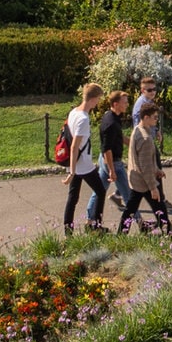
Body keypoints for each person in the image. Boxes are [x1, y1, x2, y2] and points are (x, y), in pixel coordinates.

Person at [61, 85, 109, 233]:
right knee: (100, 191)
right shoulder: (83, 119)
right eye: (98, 99)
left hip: (75, 163)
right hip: (83, 165)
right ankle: (96, 226)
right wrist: (73, 172)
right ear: (93, 99)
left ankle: (68, 231)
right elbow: (75, 146)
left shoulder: (74, 112)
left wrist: (71, 168)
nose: (98, 102)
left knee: (73, 197)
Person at [119, 105, 170, 233]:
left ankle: (121, 234)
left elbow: (146, 160)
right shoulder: (145, 138)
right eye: (155, 117)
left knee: (130, 210)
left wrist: (157, 169)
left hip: (135, 179)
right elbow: (145, 166)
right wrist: (153, 187)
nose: (156, 120)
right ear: (146, 117)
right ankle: (170, 234)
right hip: (144, 182)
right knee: (160, 209)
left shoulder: (137, 129)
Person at [98, 88, 133, 226]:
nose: (127, 104)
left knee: (99, 192)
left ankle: (91, 219)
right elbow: (107, 149)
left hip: (106, 161)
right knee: (129, 196)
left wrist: (133, 143)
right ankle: (141, 224)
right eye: (124, 102)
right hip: (113, 163)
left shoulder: (112, 117)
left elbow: (118, 137)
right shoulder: (111, 123)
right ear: (115, 104)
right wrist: (112, 170)